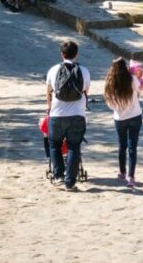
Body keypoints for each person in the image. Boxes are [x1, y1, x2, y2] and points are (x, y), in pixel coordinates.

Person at [45, 40, 91, 190]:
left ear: (61, 54)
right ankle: (70, 182)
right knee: (74, 146)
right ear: (76, 54)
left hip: (57, 115)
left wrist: (49, 108)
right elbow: (86, 92)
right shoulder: (84, 71)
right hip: (77, 115)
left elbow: (49, 93)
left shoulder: (53, 70)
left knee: (54, 144)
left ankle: (58, 175)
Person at [103, 57, 143, 188]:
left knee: (122, 145)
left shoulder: (110, 83)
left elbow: (109, 103)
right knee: (133, 147)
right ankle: (131, 177)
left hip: (119, 118)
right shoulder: (132, 79)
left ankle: (122, 172)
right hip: (135, 116)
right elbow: (139, 91)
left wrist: (118, 108)